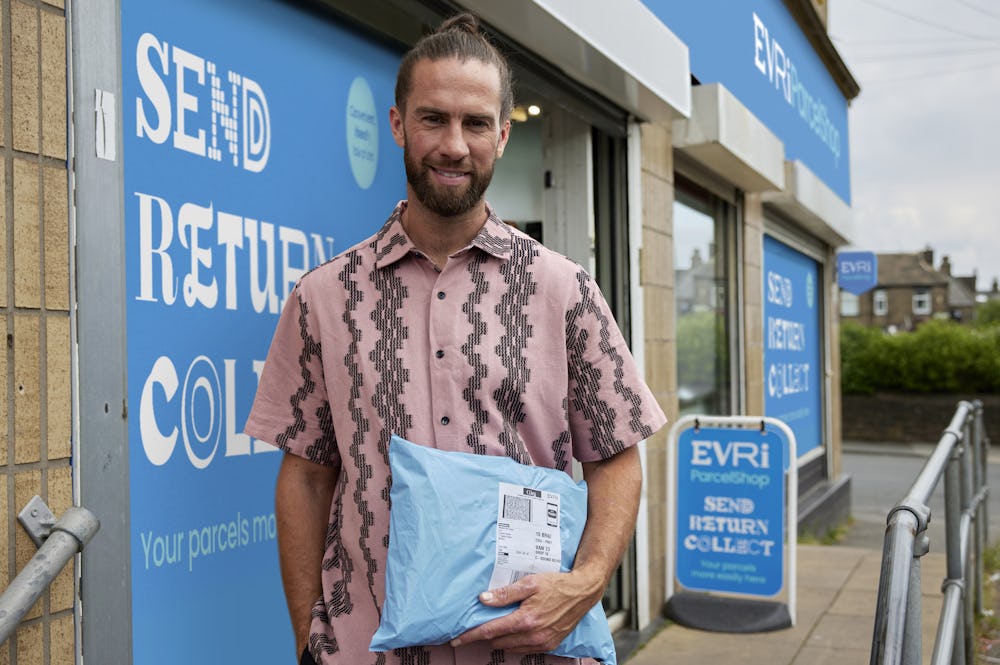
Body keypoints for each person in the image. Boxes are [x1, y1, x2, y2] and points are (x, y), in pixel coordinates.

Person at [244, 12, 667, 665]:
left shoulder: (564, 290)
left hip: (532, 650)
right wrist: (310, 639)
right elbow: (304, 475)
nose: (453, 144)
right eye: (432, 119)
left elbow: (616, 454)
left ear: (502, 135)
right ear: (397, 124)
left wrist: (585, 585)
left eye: (474, 124)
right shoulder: (323, 296)